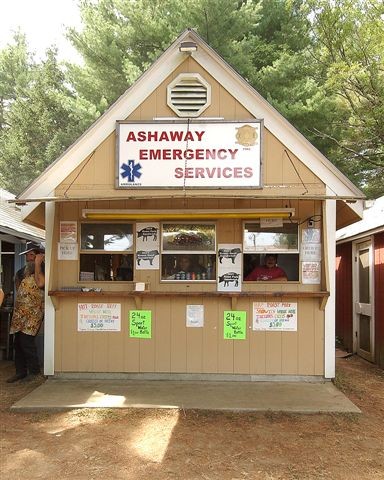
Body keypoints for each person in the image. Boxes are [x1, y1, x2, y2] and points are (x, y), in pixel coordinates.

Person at [6, 246, 45, 383]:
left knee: (27, 341)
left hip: (33, 313)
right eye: (27, 255)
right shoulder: (21, 272)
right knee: (17, 342)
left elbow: (40, 283)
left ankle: (34, 372)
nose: (28, 258)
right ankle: (20, 371)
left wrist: (38, 264)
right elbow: (18, 286)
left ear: (39, 256)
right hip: (20, 312)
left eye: (32, 255)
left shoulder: (42, 270)